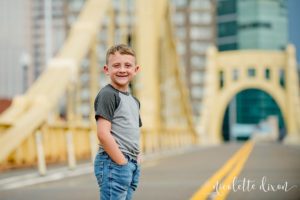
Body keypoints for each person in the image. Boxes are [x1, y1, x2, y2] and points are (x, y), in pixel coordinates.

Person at [93, 44, 142, 200]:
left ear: (136, 70)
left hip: (131, 163)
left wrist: (137, 158)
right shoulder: (108, 94)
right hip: (113, 163)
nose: (122, 69)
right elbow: (102, 133)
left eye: (128, 65)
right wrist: (121, 162)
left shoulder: (134, 101)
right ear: (106, 70)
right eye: (116, 65)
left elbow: (133, 130)